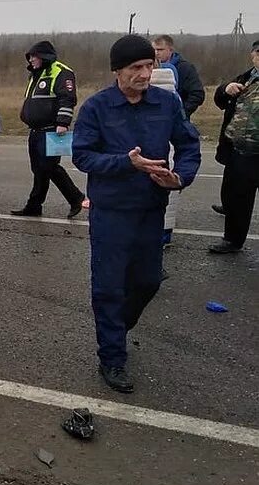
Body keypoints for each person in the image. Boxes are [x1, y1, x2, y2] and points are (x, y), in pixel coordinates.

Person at [72, 35, 201, 393]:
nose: (145, 74)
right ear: (118, 71)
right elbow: (82, 156)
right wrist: (125, 163)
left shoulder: (166, 103)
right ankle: (112, 357)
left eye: (149, 66)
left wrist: (180, 178)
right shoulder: (97, 107)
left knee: (148, 281)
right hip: (112, 212)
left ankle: (116, 326)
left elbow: (190, 145)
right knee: (109, 287)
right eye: (136, 68)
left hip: (150, 209)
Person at [12, 41, 85, 218]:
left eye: (34, 56)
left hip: (53, 129)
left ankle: (75, 197)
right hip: (36, 130)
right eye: (29, 57)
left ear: (44, 56)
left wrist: (63, 122)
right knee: (38, 169)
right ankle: (34, 205)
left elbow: (67, 99)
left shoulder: (61, 72)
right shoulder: (36, 74)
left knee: (50, 167)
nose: (31, 60)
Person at [208, 40, 259, 254]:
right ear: (252, 55)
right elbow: (220, 101)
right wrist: (224, 89)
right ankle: (232, 240)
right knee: (238, 197)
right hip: (240, 152)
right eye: (258, 53)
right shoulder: (245, 78)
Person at [149, 63, 181, 248]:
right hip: (169, 155)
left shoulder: (145, 97)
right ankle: (166, 232)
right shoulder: (174, 99)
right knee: (169, 193)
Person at [152, 35, 206, 119]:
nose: (156, 53)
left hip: (176, 119)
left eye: (160, 50)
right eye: (153, 50)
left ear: (170, 50)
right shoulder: (146, 67)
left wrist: (182, 113)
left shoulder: (185, 68)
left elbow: (197, 94)